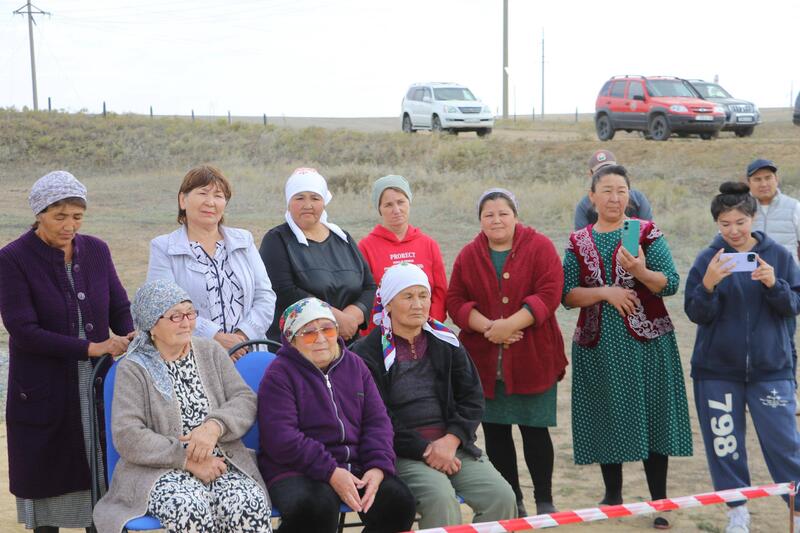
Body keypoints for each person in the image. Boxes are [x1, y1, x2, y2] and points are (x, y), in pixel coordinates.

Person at [0, 171, 134, 533]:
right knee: (47, 474)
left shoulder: (97, 250)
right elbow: (24, 331)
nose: (69, 225)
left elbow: (120, 307)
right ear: (39, 213)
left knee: (98, 469)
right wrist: (92, 347)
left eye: (77, 216)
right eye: (60, 216)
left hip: (94, 380)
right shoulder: (12, 259)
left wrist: (134, 333)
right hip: (42, 385)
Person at [562, 164, 692, 530]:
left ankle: (659, 500)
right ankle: (613, 495)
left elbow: (669, 284)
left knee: (652, 415)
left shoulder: (647, 234)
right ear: (592, 197)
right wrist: (606, 292)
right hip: (599, 341)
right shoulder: (578, 241)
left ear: (630, 196)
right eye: (606, 190)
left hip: (647, 342)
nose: (614, 198)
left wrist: (640, 272)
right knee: (606, 412)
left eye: (621, 190)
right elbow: (567, 295)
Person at [93, 279, 271, 533]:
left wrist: (214, 427)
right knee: (189, 506)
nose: (187, 322)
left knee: (247, 502)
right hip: (157, 471)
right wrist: (186, 458)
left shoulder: (210, 350)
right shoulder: (133, 368)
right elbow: (128, 435)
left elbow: (243, 399)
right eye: (175, 316)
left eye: (190, 313)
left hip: (220, 461)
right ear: (151, 325)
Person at [352, 263, 517, 529]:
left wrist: (451, 441)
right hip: (402, 451)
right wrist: (427, 450)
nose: (418, 304)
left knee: (500, 496)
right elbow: (376, 416)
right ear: (388, 304)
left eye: (423, 295)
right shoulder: (366, 353)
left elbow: (472, 397)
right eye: (407, 296)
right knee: (440, 499)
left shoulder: (445, 341)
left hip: (453, 446)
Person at [685, 182, 800, 533]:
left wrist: (773, 284)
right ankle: (737, 512)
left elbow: (793, 305)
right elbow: (695, 312)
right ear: (717, 224)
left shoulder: (778, 255)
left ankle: (797, 511)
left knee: (785, 445)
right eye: (724, 224)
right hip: (717, 370)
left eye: (740, 221)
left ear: (753, 218)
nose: (733, 231)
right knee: (726, 446)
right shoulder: (709, 258)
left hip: (771, 368)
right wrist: (707, 285)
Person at [446, 188, 568, 517]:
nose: (496, 219)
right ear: (480, 220)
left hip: (533, 358)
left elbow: (551, 290)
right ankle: (513, 498)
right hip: (484, 363)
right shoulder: (469, 255)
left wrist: (512, 323)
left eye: (503, 213)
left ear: (515, 215)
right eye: (489, 214)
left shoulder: (539, 246)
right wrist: (489, 327)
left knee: (534, 430)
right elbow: (454, 301)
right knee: (496, 432)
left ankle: (544, 498)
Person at [258, 297, 416, 533]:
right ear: (292, 340)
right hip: (296, 468)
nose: (321, 339)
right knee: (315, 510)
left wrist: (378, 466)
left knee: (398, 503)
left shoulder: (355, 365)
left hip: (356, 464)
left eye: (328, 329)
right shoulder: (279, 374)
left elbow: (377, 422)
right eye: (309, 333)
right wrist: (331, 472)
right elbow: (281, 438)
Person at [147, 165, 276, 360]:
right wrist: (215, 336)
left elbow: (265, 296)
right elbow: (164, 306)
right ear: (183, 200)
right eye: (203, 193)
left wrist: (242, 337)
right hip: (194, 356)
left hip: (249, 354)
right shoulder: (164, 247)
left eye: (218, 195)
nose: (211, 202)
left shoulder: (244, 240)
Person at [259, 168, 376, 343]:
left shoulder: (342, 238)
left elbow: (369, 286)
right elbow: (285, 291)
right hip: (301, 344)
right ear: (289, 202)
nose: (308, 205)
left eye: (315, 198)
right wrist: (332, 319)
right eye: (299, 198)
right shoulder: (277, 240)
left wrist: (351, 318)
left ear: (324, 201)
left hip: (349, 343)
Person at [358, 175, 448, 333]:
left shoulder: (428, 244)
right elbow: (366, 294)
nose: (396, 210)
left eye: (401, 202)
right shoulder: (366, 247)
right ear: (379, 209)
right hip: (383, 336)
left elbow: (440, 292)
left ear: (409, 202)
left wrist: (428, 326)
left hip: (425, 331)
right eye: (388, 205)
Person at [745, 158, 800, 412]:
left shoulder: (793, 208)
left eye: (768, 178)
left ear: (776, 180)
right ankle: (750, 391)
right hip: (748, 287)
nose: (763, 183)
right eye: (757, 179)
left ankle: (790, 391)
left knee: (785, 339)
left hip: (784, 286)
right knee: (748, 338)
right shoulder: (743, 210)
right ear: (749, 184)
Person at [573, 149, 653, 230]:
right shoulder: (583, 207)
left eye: (611, 169)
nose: (614, 199)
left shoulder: (638, 199)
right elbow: (581, 239)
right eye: (600, 173)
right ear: (591, 174)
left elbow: (647, 232)